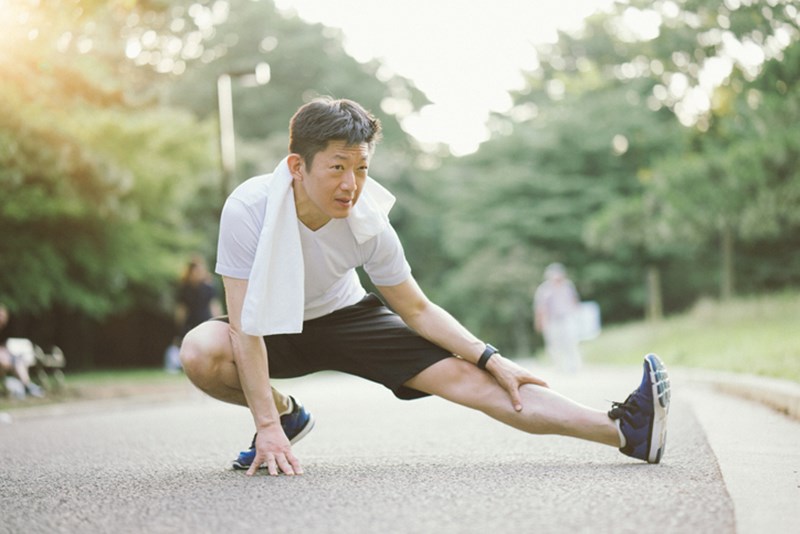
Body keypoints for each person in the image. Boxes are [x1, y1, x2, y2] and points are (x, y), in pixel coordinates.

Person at [180, 97, 671, 476]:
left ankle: (626, 431)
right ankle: (287, 415)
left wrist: (489, 357)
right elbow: (246, 326)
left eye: (361, 167)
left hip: (346, 315)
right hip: (273, 322)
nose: (351, 183)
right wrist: (267, 426)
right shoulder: (249, 210)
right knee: (201, 351)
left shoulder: (368, 220)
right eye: (337, 167)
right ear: (297, 167)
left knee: (471, 381)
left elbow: (416, 308)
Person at [533, 263, 583, 373]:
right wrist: (539, 322)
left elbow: (574, 301)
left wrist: (577, 316)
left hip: (567, 318)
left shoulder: (568, 286)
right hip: (551, 320)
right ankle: (558, 367)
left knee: (571, 342)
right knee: (554, 344)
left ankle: (574, 366)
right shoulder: (544, 289)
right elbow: (540, 308)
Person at [0, 303, 45, 399]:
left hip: (6, 360)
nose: (2, 319)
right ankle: (26, 387)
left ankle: (26, 386)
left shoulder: (4, 331)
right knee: (13, 361)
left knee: (18, 360)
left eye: (3, 316)